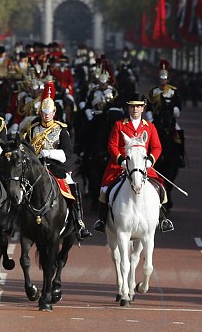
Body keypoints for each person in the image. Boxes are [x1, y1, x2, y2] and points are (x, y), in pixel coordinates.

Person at [93, 93, 174, 233]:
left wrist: (150, 160)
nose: (135, 109)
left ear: (143, 108)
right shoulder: (119, 125)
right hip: (120, 166)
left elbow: (156, 147)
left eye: (138, 106)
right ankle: (102, 220)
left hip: (142, 166)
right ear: (128, 108)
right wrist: (121, 160)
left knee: (161, 189)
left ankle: (162, 219)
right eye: (132, 106)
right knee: (105, 191)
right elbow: (112, 145)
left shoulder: (150, 127)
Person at [23, 83, 91, 239]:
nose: (46, 114)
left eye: (49, 112)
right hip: (36, 166)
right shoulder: (33, 128)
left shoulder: (61, 129)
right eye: (44, 111)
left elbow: (67, 153)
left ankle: (79, 222)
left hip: (55, 167)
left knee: (72, 185)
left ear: (54, 112)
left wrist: (49, 152)